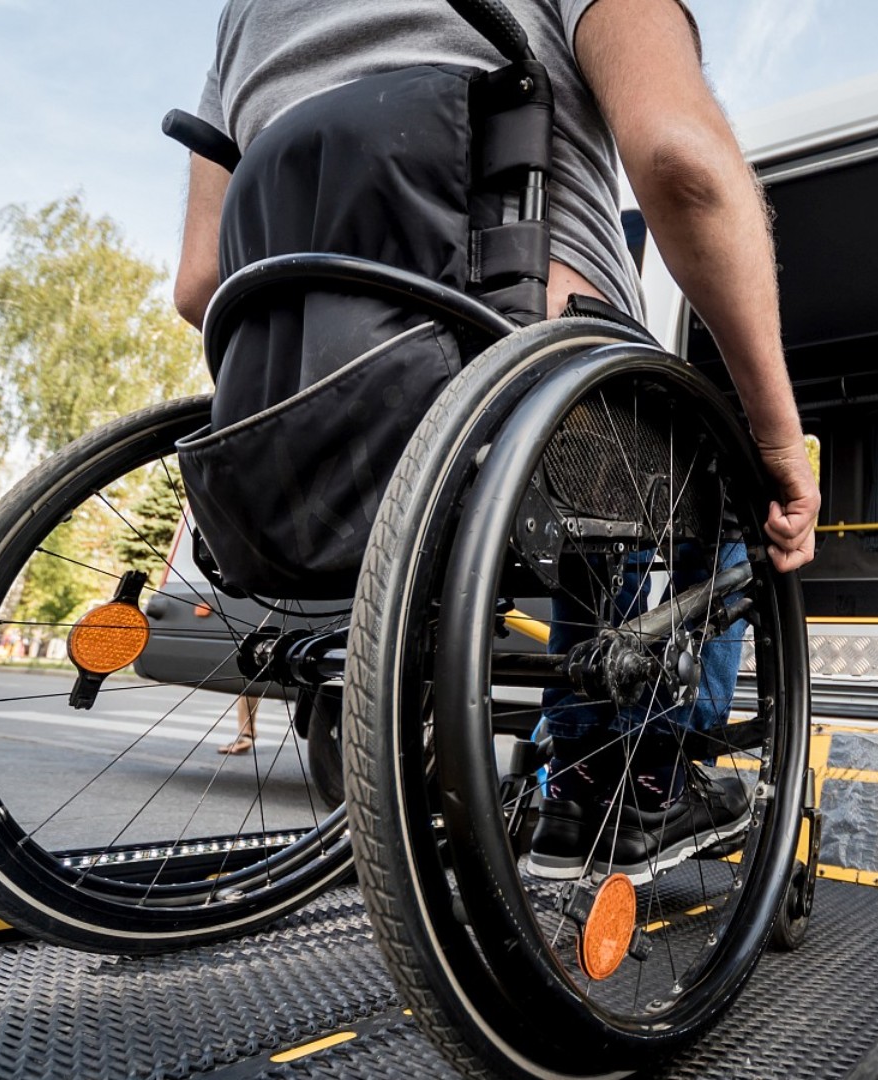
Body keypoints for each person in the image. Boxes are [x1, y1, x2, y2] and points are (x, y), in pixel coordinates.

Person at [174, 0, 818, 876]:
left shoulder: (244, 16)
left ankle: (584, 766)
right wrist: (779, 440)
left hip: (318, 406)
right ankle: (645, 784)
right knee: (732, 495)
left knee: (591, 471)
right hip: (524, 361)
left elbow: (200, 282)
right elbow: (682, 164)